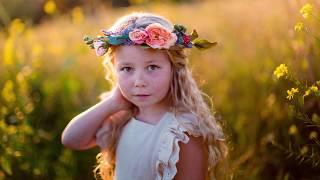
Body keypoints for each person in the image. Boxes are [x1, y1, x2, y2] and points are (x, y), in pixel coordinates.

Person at [61, 12, 228, 180]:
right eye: (127, 69)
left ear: (174, 69)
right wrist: (113, 102)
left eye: (152, 67)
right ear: (114, 69)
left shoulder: (182, 134)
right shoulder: (120, 118)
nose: (139, 81)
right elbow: (71, 140)